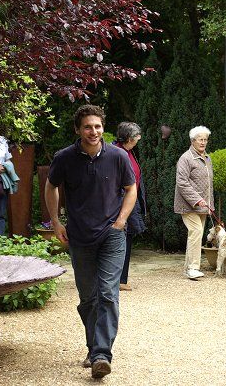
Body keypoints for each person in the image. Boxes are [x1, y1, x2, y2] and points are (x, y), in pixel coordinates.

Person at [45, 105, 137, 379]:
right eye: (87, 127)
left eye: (97, 126)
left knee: (108, 294)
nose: (93, 131)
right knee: (88, 298)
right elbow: (51, 187)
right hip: (80, 236)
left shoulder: (118, 156)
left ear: (103, 128)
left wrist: (121, 221)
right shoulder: (65, 158)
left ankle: (101, 355)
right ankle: (93, 347)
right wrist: (56, 222)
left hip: (111, 235)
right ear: (78, 129)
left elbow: (131, 189)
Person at [174, 126, 214, 280]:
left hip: (203, 205)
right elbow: (182, 183)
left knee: (195, 235)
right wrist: (197, 200)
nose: (203, 142)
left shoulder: (207, 158)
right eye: (200, 139)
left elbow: (208, 185)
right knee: (196, 232)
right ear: (192, 141)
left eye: (205, 139)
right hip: (188, 205)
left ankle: (188, 268)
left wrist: (208, 204)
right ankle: (193, 268)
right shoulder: (186, 158)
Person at [113, 122, 147, 291]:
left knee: (127, 239)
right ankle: (116, 279)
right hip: (120, 203)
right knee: (120, 240)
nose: (138, 139)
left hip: (131, 201)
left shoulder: (128, 151)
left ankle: (121, 280)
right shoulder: (117, 152)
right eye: (136, 136)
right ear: (128, 138)